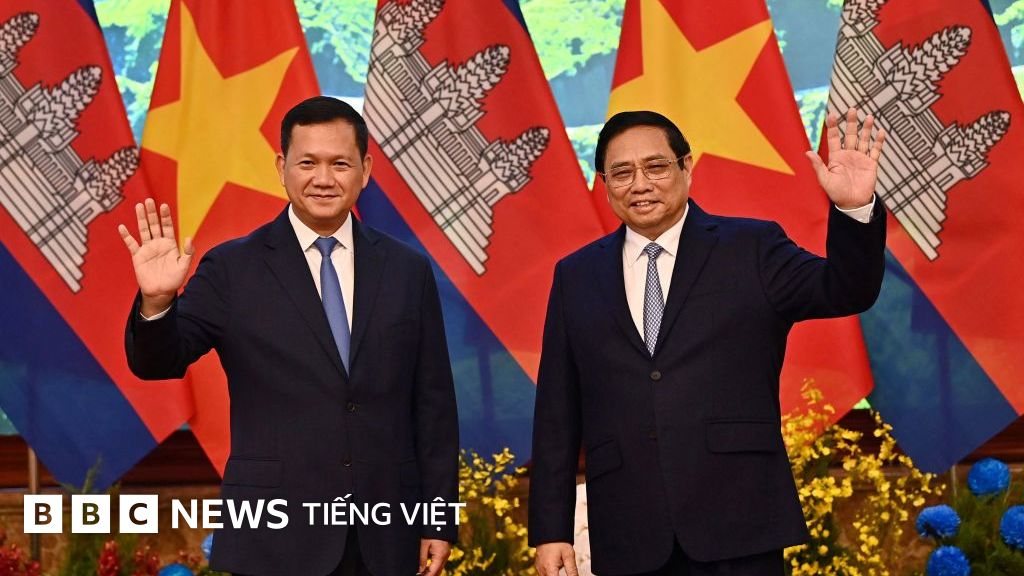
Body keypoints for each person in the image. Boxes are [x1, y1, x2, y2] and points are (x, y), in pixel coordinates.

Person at [528, 108, 887, 576]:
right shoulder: (576, 275)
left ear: (686, 167)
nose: (640, 184)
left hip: (738, 522)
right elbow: (556, 412)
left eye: (656, 166)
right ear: (605, 183)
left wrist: (854, 210)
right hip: (629, 529)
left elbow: (846, 289)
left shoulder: (752, 247)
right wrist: (551, 529)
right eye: (622, 172)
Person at [120, 96, 458, 576]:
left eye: (340, 163)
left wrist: (438, 519)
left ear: (365, 170)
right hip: (274, 538)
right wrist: (156, 303)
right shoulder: (232, 268)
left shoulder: (407, 270)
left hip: (385, 536)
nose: (324, 178)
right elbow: (159, 362)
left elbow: (434, 406)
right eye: (308, 163)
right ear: (282, 168)